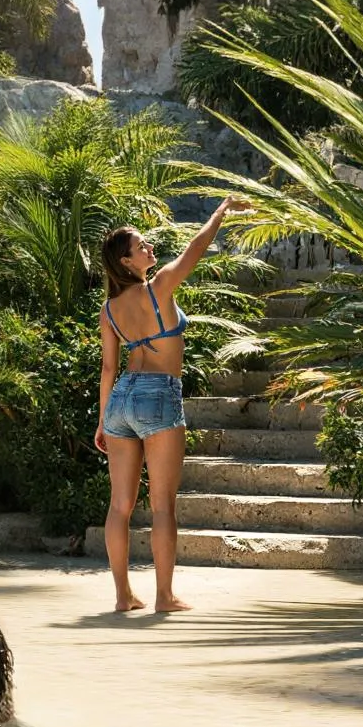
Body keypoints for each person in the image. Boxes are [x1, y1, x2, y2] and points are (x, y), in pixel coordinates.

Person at [95, 200, 231, 617]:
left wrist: (103, 420)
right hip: (159, 394)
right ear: (126, 260)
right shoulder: (160, 288)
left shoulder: (109, 310)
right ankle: (164, 597)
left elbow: (108, 367)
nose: (150, 247)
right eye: (141, 245)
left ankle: (122, 596)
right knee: (162, 506)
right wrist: (220, 213)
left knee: (120, 505)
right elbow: (196, 247)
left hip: (121, 399)